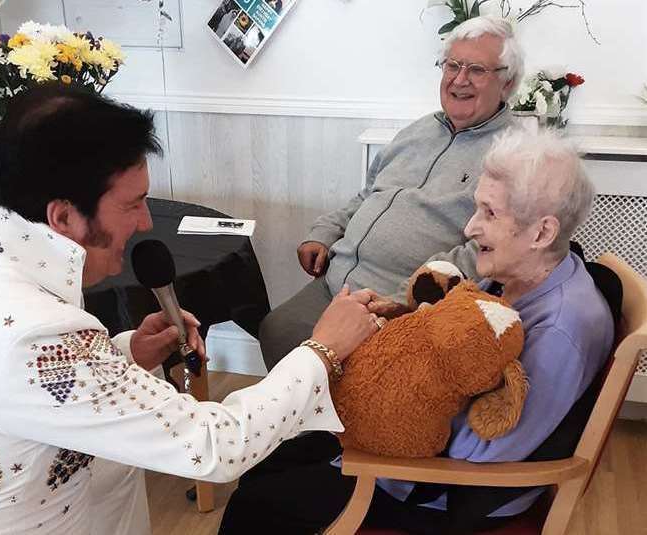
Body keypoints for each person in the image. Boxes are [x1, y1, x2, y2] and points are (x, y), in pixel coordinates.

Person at [0, 84, 381, 534]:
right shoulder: (37, 335)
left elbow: (14, 395)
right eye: (133, 204)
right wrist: (321, 350)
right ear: (62, 216)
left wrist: (124, 353)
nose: (146, 221)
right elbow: (214, 444)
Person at [219, 129, 614, 535]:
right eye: (476, 208)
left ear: (543, 233)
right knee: (266, 464)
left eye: (490, 214)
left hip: (440, 488)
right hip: (407, 447)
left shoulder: (562, 329)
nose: (470, 228)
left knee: (255, 507)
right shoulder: (516, 276)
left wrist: (396, 393)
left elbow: (480, 450)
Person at [259, 16, 525, 371]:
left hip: (395, 304)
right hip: (337, 282)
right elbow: (368, 194)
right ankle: (309, 425)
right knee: (276, 329)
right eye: (452, 66)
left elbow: (488, 252)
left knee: (329, 369)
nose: (459, 80)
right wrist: (324, 232)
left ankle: (328, 425)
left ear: (507, 83)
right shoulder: (420, 130)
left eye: (477, 69)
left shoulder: (514, 155)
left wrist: (409, 297)